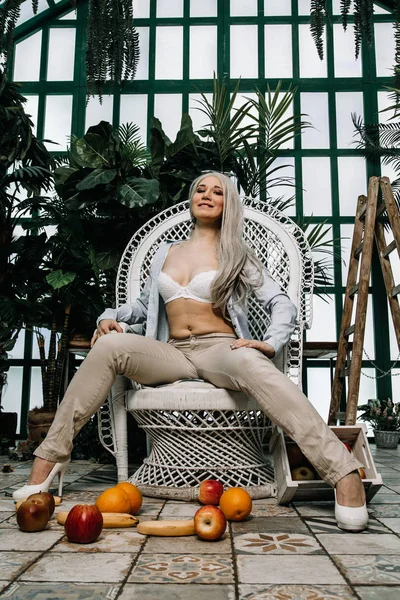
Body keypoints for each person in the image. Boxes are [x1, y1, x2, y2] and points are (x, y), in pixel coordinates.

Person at [13, 172, 368, 531]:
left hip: (220, 349)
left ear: (228, 204)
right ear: (191, 198)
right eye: (201, 189)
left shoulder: (237, 254)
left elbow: (281, 303)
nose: (207, 195)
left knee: (253, 363)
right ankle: (49, 459)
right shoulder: (166, 252)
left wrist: (271, 342)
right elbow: (140, 308)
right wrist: (109, 317)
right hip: (172, 353)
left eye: (218, 191)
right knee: (110, 345)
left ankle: (343, 472)